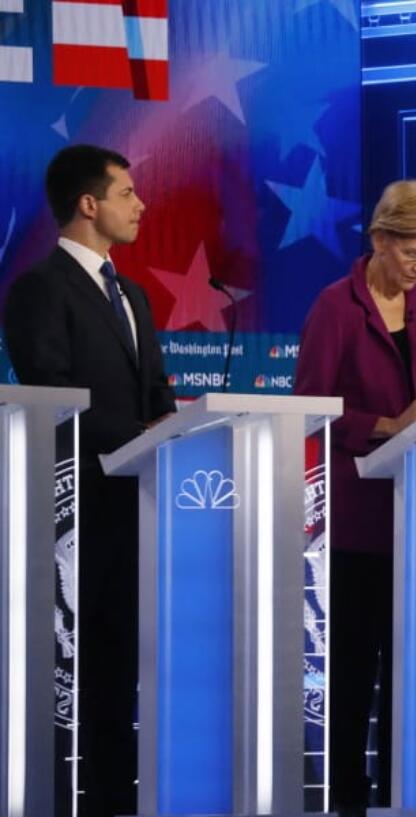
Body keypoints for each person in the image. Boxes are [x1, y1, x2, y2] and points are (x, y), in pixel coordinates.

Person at [3, 144, 176, 817]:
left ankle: (115, 798)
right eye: (128, 192)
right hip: (74, 516)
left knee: (118, 667)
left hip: (141, 506)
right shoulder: (39, 287)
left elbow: (154, 390)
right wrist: (132, 439)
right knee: (69, 667)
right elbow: (51, 390)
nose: (141, 204)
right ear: (89, 203)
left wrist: (169, 432)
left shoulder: (131, 292)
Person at [293, 179, 416, 817]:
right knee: (356, 668)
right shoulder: (337, 306)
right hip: (359, 516)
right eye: (414, 254)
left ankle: (402, 796)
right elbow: (312, 407)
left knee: (413, 669)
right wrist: (384, 425)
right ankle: (347, 801)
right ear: (381, 240)